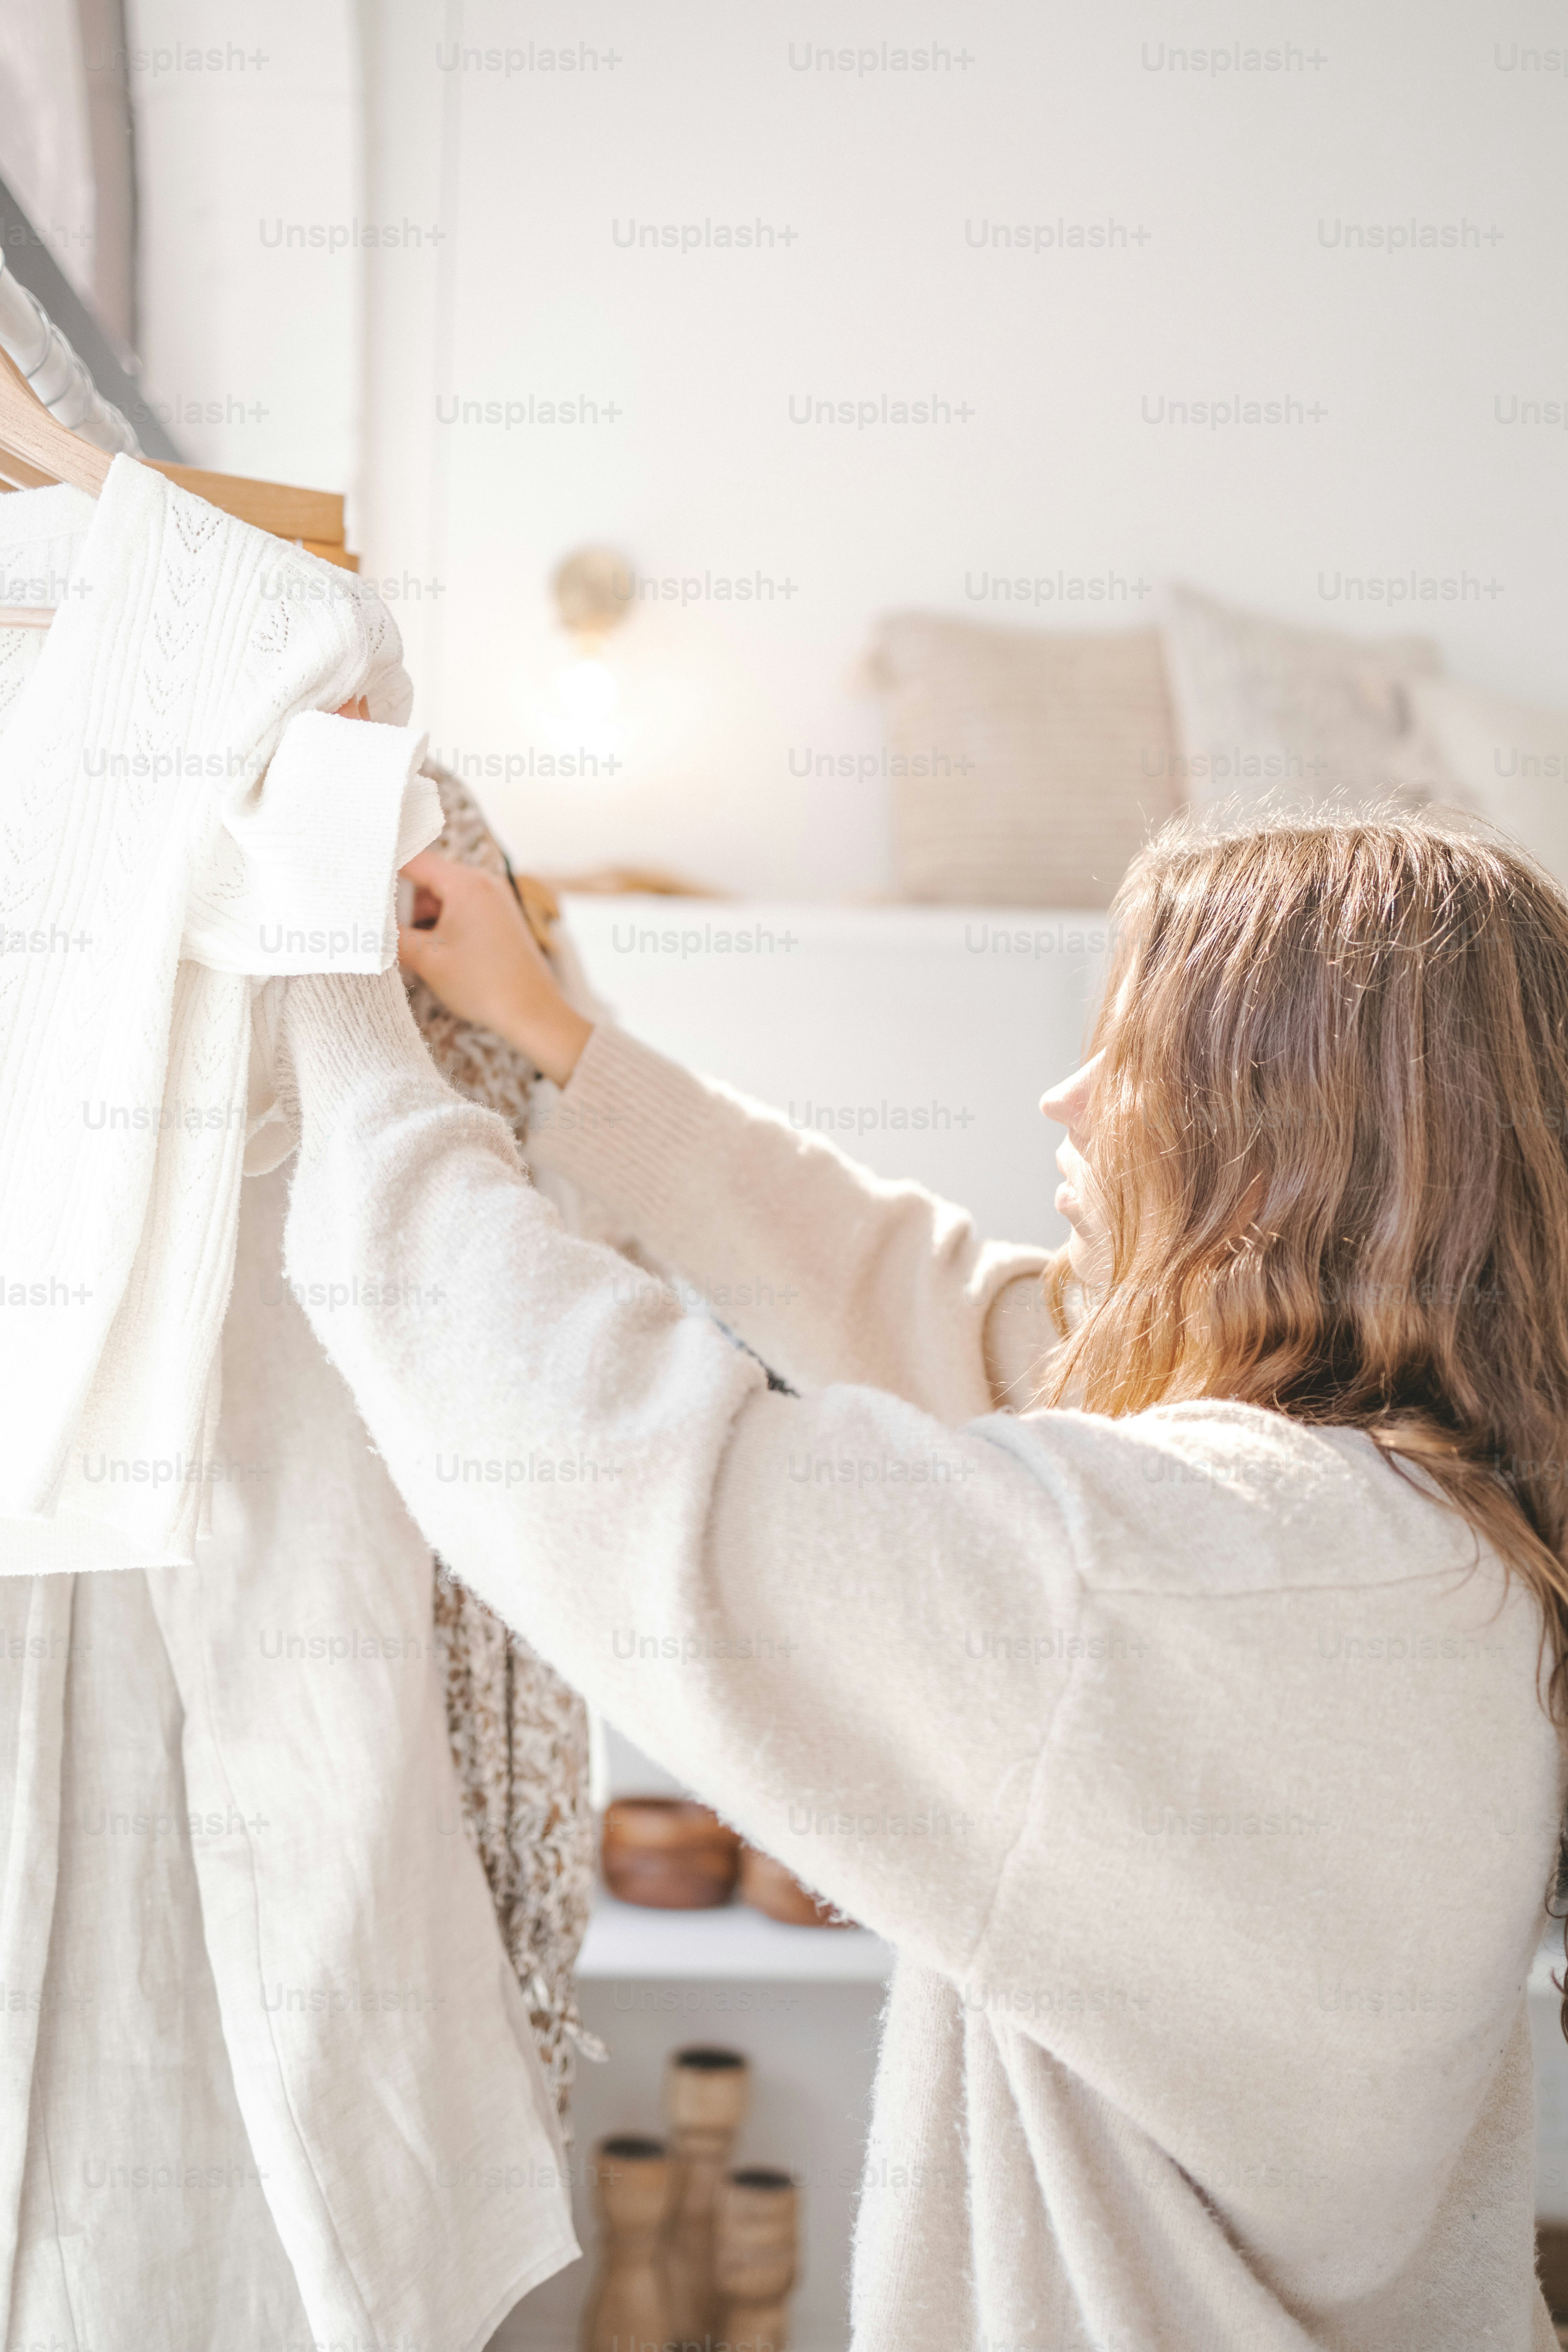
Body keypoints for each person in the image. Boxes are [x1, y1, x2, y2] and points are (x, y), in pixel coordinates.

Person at [275, 808, 1568, 2352]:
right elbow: (943, 1312)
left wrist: (339, 1028)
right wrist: (553, 1031)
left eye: (1137, 1057)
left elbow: (614, 1469)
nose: (1065, 1100)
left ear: (1296, 1142)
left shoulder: (1222, 1578)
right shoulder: (1421, 1521)